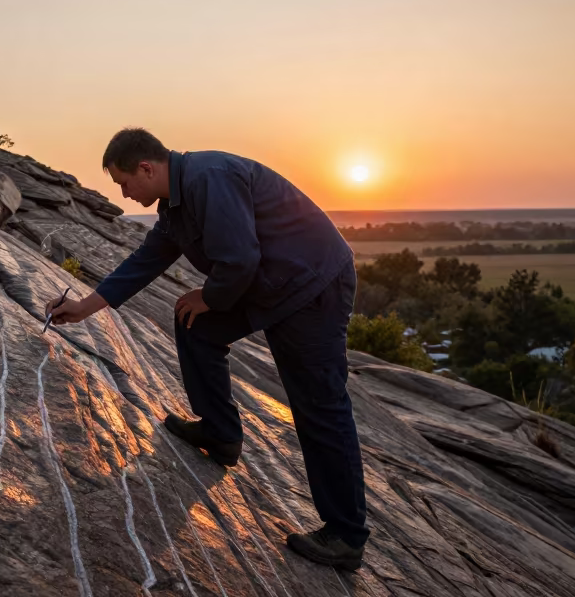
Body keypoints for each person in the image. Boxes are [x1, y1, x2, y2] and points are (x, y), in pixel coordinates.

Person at [46, 128, 369, 570]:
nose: (124, 194)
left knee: (319, 405)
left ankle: (346, 535)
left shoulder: (208, 177)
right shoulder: (175, 207)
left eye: (124, 183)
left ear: (147, 167)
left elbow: (238, 259)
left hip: (310, 286)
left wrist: (211, 297)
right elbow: (143, 262)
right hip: (267, 285)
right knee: (194, 323)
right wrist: (84, 308)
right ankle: (220, 433)